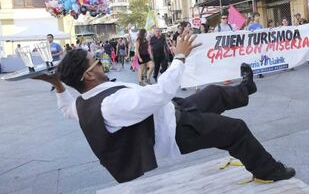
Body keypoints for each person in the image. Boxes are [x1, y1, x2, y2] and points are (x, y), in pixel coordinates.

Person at [34, 34, 295, 184]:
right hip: (177, 131)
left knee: (215, 92)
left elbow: (68, 108)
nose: (103, 64)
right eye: (98, 63)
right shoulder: (111, 105)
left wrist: (58, 86)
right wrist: (180, 56)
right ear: (88, 76)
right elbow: (160, 92)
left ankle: (246, 88)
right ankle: (267, 171)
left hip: (173, 111)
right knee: (236, 130)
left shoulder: (85, 101)